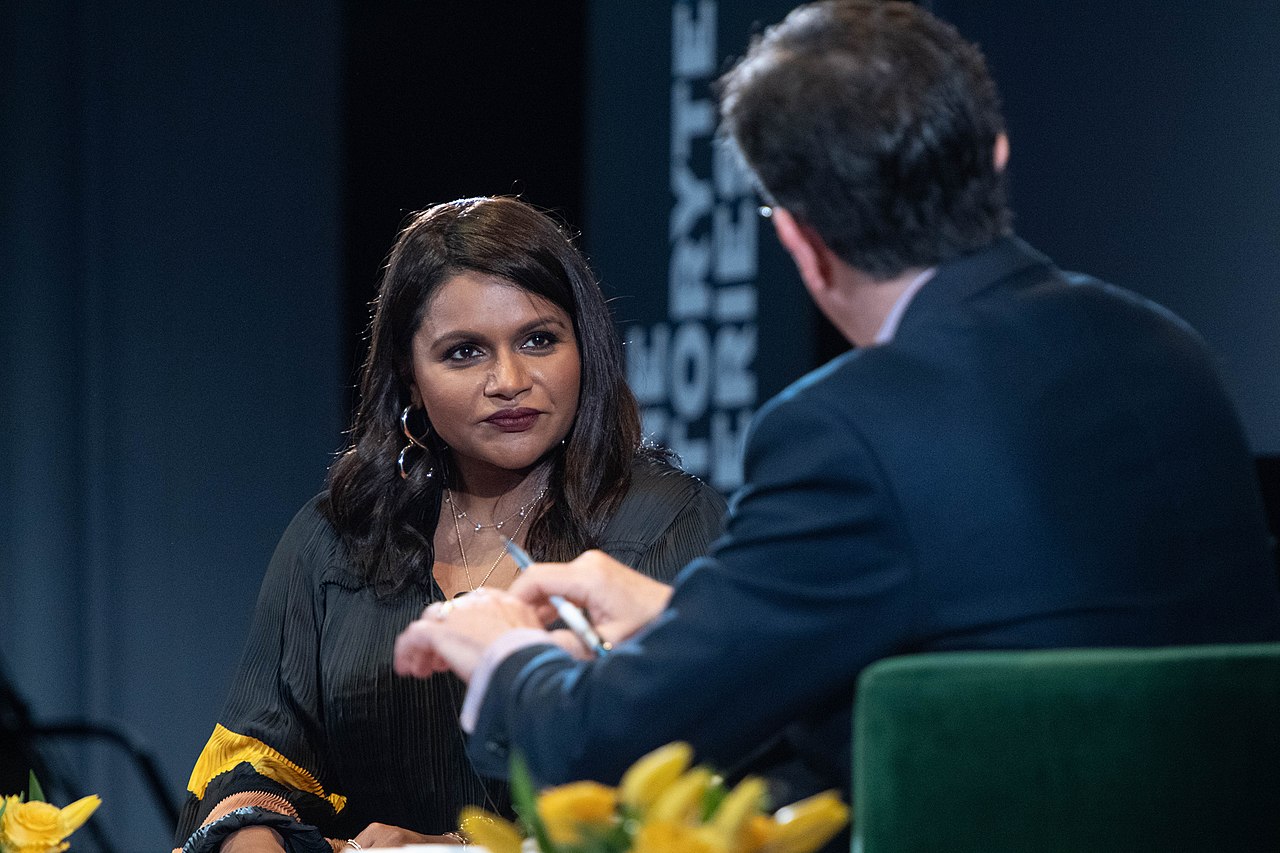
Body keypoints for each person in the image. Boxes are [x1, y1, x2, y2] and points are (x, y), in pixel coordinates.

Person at [391, 0, 1280, 840]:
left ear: (801, 243)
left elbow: (601, 745)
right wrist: (677, 622)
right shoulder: (1170, 353)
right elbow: (1000, 644)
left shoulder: (847, 427)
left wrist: (506, 654)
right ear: (997, 155)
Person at [173, 197, 727, 853]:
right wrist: (252, 831)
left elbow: (700, 783)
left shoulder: (669, 520)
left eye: (539, 339)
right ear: (409, 376)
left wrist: (462, 848)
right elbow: (256, 755)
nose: (511, 380)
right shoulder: (337, 538)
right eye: (465, 352)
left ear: (586, 344)